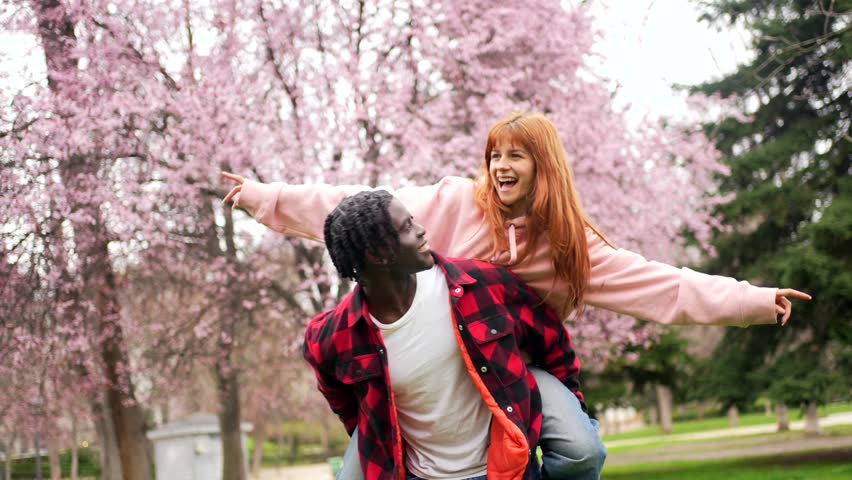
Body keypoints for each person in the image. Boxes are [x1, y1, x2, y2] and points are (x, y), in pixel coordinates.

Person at [223, 112, 810, 479]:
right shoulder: (453, 203)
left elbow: (660, 285)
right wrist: (264, 198)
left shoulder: (569, 246)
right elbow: (355, 207)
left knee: (582, 451)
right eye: (494, 155)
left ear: (543, 167)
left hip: (513, 362)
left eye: (515, 155)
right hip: (437, 357)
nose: (500, 166)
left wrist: (750, 301)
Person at [306, 190, 585, 480]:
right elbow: (340, 397)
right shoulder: (333, 337)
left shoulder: (481, 285)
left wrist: (571, 405)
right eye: (406, 228)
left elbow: (552, 343)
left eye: (412, 221)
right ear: (378, 255)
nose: (421, 230)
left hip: (505, 469)